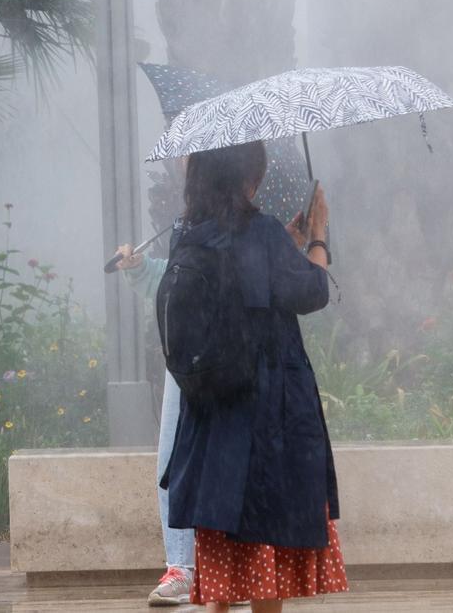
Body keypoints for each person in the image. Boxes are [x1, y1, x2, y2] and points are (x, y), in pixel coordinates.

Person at [157, 140, 347, 613]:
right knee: (266, 544)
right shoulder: (259, 233)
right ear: (248, 177)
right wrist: (318, 236)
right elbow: (310, 291)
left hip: (211, 414)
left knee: (222, 551)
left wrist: (285, 242)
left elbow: (239, 279)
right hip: (264, 414)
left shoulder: (189, 233)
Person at [111, 245, 197, 607]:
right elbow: (172, 277)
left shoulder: (254, 229)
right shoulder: (192, 225)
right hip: (186, 357)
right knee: (172, 464)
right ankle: (182, 568)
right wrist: (141, 267)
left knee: (233, 462)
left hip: (238, 358)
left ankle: (229, 572)